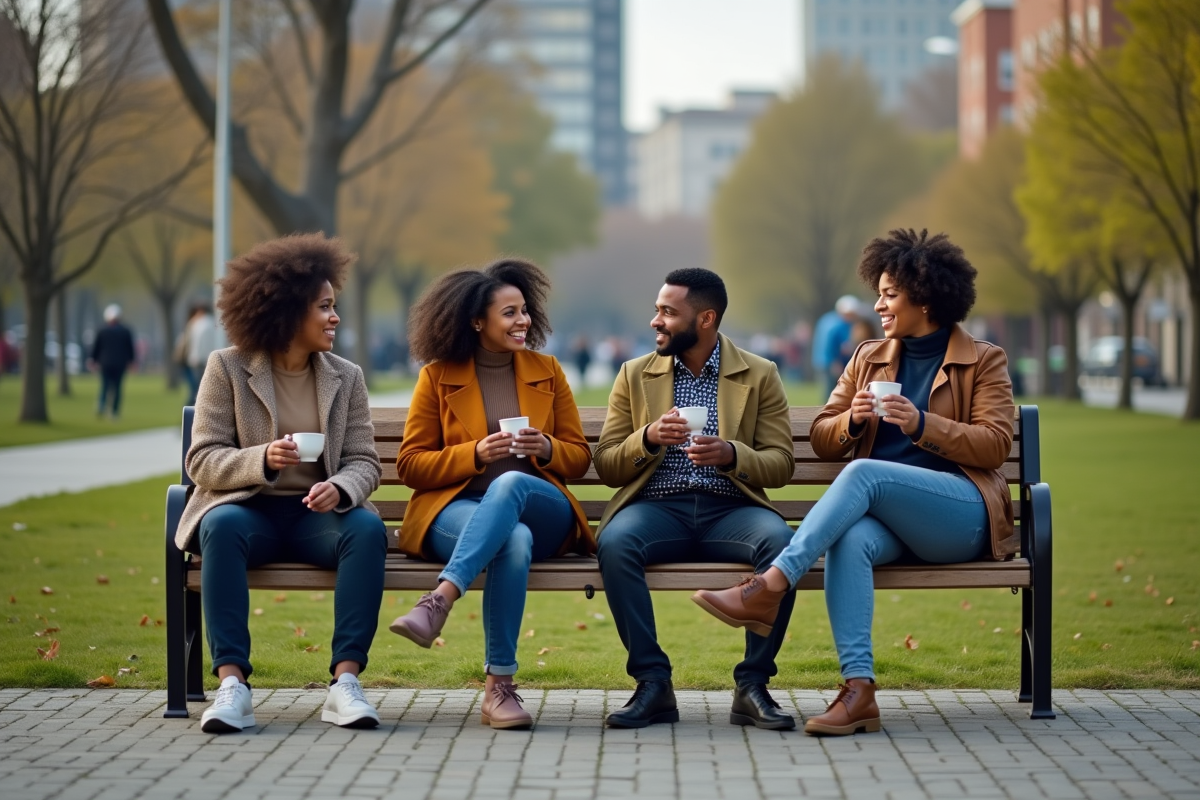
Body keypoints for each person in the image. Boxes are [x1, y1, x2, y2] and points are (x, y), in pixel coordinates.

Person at [692, 229, 1016, 736]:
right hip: (890, 524)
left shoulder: (984, 359)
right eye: (879, 292)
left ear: (926, 299)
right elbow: (824, 436)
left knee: (863, 473)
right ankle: (858, 691)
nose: (878, 304)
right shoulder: (868, 357)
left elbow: (996, 444)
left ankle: (770, 585)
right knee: (850, 538)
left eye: (889, 294)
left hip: (960, 516)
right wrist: (855, 421)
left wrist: (922, 425)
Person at [174, 234, 388, 734]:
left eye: (335, 306)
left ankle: (345, 684)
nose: (335, 317)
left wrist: (342, 487)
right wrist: (262, 460)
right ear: (290, 311)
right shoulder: (227, 367)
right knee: (220, 525)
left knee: (366, 531)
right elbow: (202, 459)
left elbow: (364, 461)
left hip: (319, 518)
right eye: (325, 307)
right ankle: (233, 686)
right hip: (251, 512)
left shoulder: (347, 376)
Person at [389, 258, 593, 730]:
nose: (522, 321)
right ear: (477, 321)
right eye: (509, 313)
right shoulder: (438, 377)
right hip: (457, 512)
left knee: (512, 484)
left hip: (543, 509)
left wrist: (545, 447)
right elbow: (410, 465)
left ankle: (439, 598)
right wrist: (474, 454)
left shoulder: (548, 370)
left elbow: (580, 458)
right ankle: (499, 688)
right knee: (512, 539)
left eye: (524, 311)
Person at [594, 268, 798, 731]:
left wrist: (731, 455)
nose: (656, 321)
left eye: (668, 312)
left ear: (705, 318)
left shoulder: (760, 374)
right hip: (657, 510)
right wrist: (647, 437)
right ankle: (652, 683)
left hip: (733, 510)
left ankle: (753, 686)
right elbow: (606, 464)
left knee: (783, 546)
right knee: (616, 542)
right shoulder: (633, 374)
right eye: (656, 310)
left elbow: (781, 464)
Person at [811, 295, 861, 400]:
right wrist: (834, 362)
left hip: (825, 361)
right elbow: (829, 346)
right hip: (830, 362)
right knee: (831, 391)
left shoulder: (828, 319)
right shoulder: (835, 325)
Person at [90, 303, 135, 419]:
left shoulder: (102, 330)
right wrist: (131, 361)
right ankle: (113, 410)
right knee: (116, 387)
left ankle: (103, 406)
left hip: (106, 363)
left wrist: (93, 360)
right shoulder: (125, 331)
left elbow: (96, 348)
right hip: (119, 363)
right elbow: (130, 349)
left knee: (106, 386)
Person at [179, 301, 217, 406]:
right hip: (204, 360)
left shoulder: (197, 324)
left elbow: (196, 345)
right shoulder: (210, 323)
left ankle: (190, 412)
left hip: (198, 361)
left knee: (196, 391)